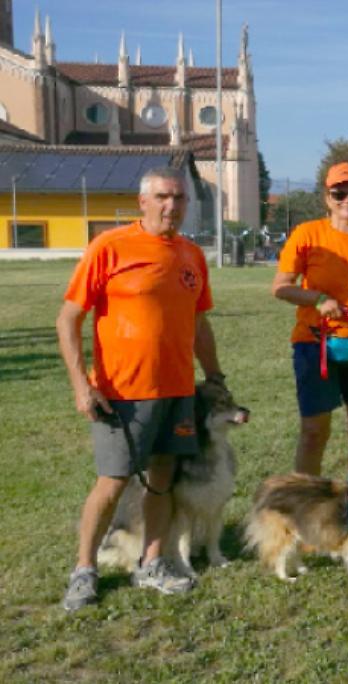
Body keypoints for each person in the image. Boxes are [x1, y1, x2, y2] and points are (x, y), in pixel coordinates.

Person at [57, 166, 226, 610]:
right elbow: (68, 318)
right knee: (111, 483)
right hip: (122, 395)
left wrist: (214, 375)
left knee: (162, 479)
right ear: (143, 202)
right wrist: (81, 385)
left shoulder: (191, 255)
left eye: (180, 198)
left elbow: (198, 321)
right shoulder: (110, 247)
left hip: (177, 391)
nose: (172, 206)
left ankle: (152, 562)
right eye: (163, 197)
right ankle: (84, 570)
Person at [271, 162, 348, 476]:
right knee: (315, 431)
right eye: (339, 194)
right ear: (327, 198)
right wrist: (317, 299)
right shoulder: (307, 234)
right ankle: (305, 505)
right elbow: (280, 287)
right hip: (316, 344)